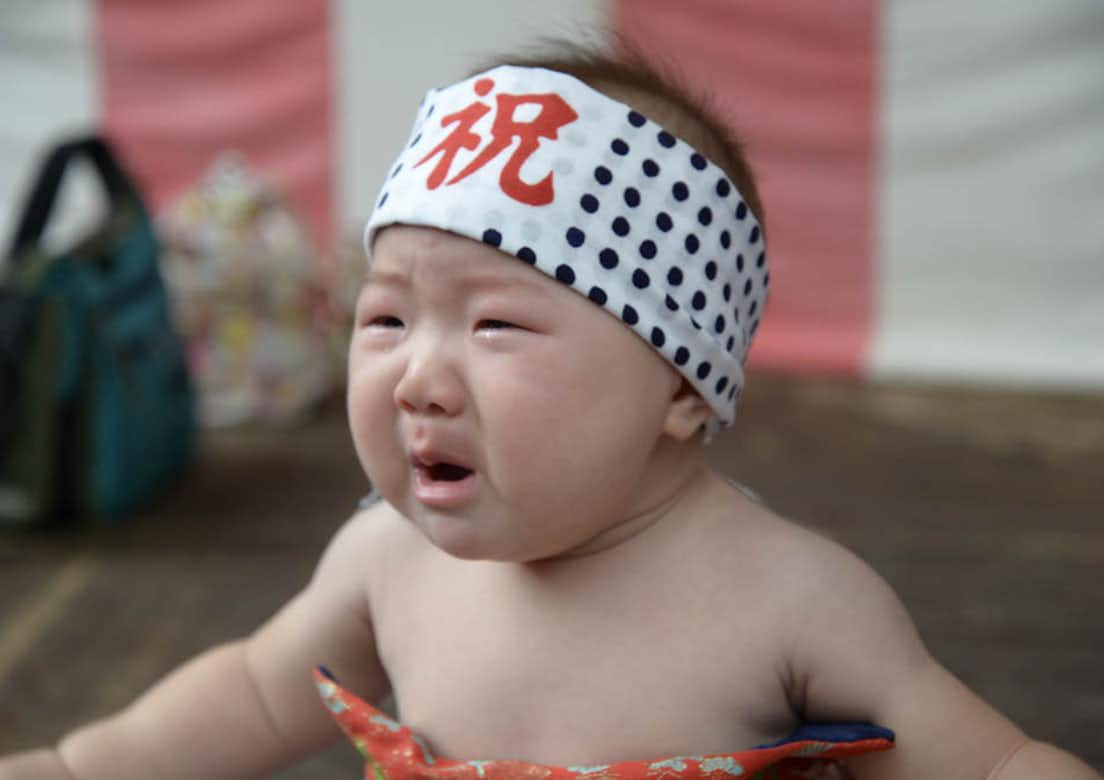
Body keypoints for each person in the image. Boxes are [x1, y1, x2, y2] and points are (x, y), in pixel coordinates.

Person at [2, 44, 1099, 780]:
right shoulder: (386, 558)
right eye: (386, 320)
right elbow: (256, 686)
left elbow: (990, 762)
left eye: (496, 329)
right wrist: (81, 764)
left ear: (679, 385)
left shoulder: (793, 602)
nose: (418, 378)